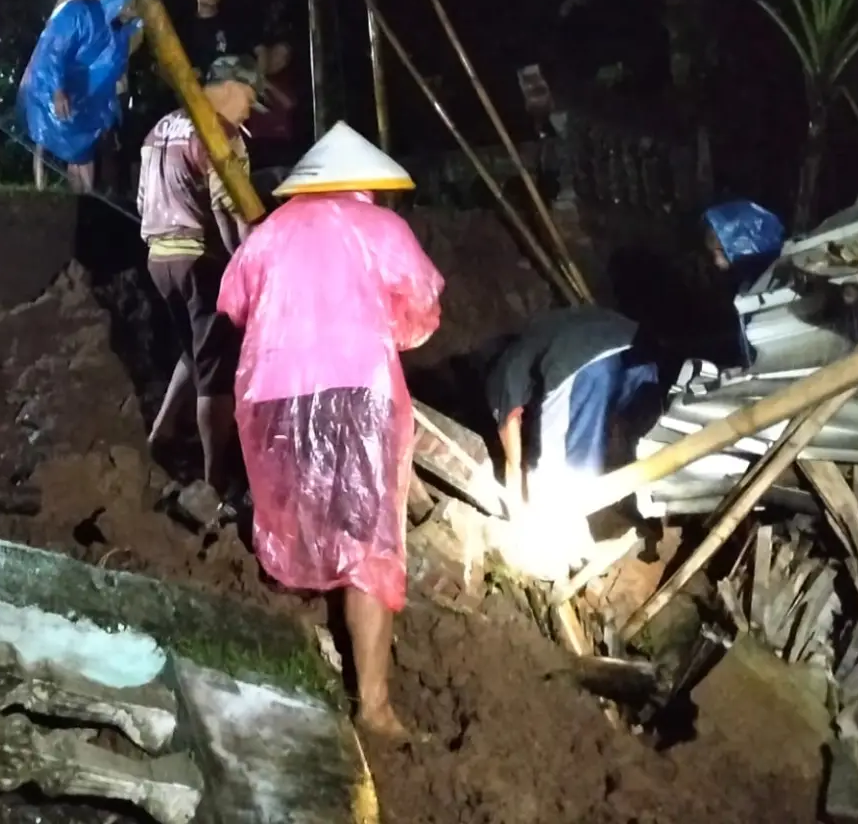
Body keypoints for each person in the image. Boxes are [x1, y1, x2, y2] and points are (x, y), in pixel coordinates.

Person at [217, 121, 445, 742]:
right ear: (368, 182)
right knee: (369, 544)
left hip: (272, 395)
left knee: (298, 519)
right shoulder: (382, 228)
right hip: (357, 392)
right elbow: (423, 309)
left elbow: (234, 306)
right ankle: (373, 707)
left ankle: (289, 663)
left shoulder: (271, 232)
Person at [139, 55, 266, 496]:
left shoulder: (162, 126)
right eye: (249, 99)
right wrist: (250, 263)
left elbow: (141, 198)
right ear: (230, 88)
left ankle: (161, 433)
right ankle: (214, 480)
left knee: (195, 351)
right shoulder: (220, 133)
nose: (249, 112)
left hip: (159, 258)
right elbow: (227, 207)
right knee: (217, 370)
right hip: (199, 259)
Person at [485, 306, 661, 508]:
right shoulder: (538, 338)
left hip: (584, 363)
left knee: (557, 462)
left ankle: (553, 516)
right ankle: (633, 490)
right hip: (641, 356)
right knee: (629, 433)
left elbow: (511, 437)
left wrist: (516, 496)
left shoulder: (501, 379)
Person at [18, 0, 144, 194]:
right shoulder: (80, 10)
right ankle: (46, 192)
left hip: (84, 96)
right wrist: (57, 89)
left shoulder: (116, 31)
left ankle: (85, 199)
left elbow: (111, 66)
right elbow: (55, 50)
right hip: (50, 86)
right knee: (49, 140)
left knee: (84, 149)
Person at [246, 33, 304, 171]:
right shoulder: (250, 73)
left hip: (279, 142)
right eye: (277, 54)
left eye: (285, 58)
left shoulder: (286, 80)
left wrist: (267, 85)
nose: (280, 60)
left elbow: (290, 104)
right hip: (256, 141)